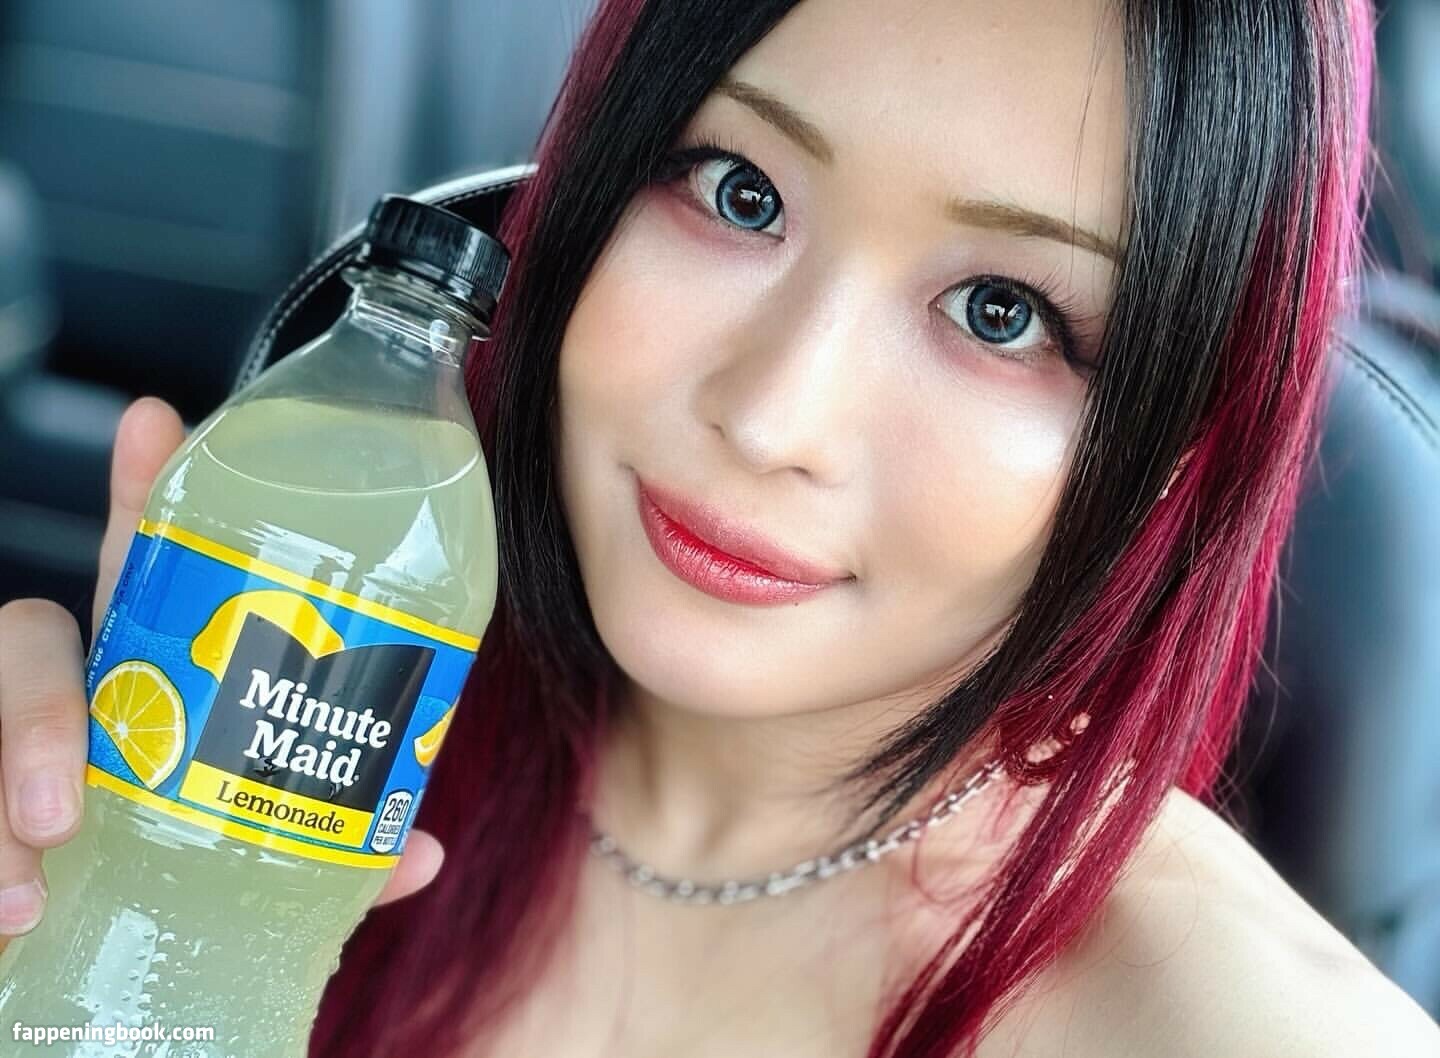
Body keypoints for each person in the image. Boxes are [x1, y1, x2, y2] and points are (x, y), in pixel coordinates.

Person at [2, 0, 1438, 1055]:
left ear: (1176, 446)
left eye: (1002, 312)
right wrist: (91, 932)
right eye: (739, 193)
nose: (770, 417)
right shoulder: (354, 682)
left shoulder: (1232, 1026)